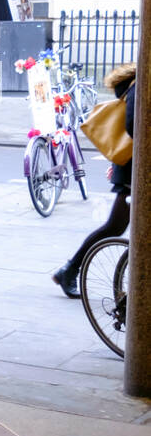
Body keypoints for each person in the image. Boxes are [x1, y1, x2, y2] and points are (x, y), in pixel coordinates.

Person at [52, 64, 136, 297]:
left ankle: (69, 270)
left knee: (116, 226)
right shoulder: (140, 86)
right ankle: (70, 270)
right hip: (133, 171)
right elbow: (133, 126)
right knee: (114, 226)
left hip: (132, 169)